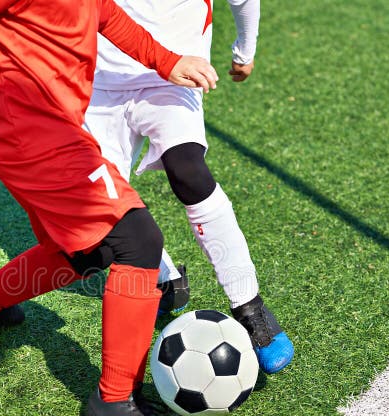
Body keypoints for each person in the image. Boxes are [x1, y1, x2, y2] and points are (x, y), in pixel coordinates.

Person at [0, 0, 218, 416]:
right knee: (138, 240)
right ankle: (114, 400)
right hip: (29, 134)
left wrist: (168, 61)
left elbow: (105, 13)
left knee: (88, 251)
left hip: (57, 129)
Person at [84, 0, 294, 374]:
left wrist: (244, 51)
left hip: (173, 79)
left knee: (188, 172)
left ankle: (250, 307)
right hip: (98, 83)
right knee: (99, 205)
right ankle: (166, 279)